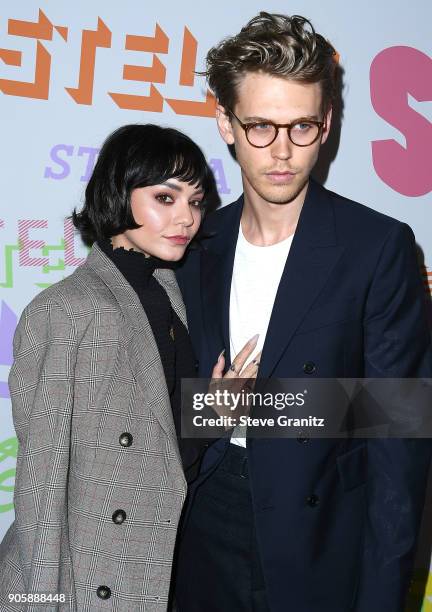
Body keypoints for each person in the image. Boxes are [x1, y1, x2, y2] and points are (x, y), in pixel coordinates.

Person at [174, 13, 432, 612]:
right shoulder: (194, 247)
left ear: (328, 124)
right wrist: (209, 408)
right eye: (261, 126)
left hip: (320, 539)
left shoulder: (377, 247)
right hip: (204, 528)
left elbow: (399, 438)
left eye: (302, 127)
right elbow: (167, 404)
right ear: (225, 124)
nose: (283, 151)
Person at [0, 123, 259, 611]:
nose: (187, 217)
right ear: (120, 194)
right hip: (87, 575)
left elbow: (158, 441)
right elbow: (42, 484)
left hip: (159, 564)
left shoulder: (174, 296)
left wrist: (213, 414)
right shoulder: (66, 311)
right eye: (166, 198)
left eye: (196, 201)